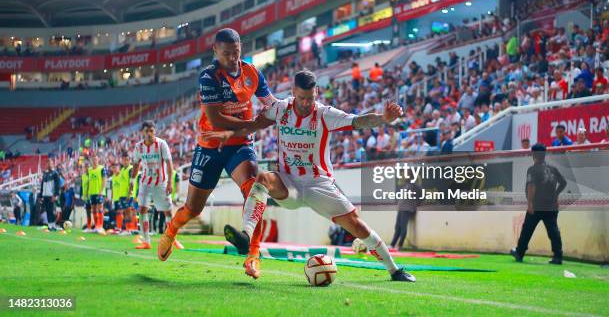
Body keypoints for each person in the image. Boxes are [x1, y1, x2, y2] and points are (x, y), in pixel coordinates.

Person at [206, 70, 416, 282]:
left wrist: (383, 119)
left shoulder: (324, 114)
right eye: (302, 98)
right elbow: (255, 125)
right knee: (262, 179)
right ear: (293, 91)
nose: (306, 103)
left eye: (311, 98)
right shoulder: (280, 109)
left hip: (319, 184)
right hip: (289, 183)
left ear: (316, 92)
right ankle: (246, 236)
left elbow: (358, 121)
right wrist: (230, 134)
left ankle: (394, 270)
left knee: (357, 225)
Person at [158, 28, 276, 279]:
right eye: (226, 54)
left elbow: (271, 103)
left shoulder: (252, 72)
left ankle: (253, 255)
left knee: (254, 189)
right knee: (193, 208)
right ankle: (170, 231)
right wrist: (253, 125)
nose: (233, 58)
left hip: (240, 145)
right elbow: (215, 118)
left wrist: (284, 112)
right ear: (215, 51)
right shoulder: (208, 76)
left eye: (236, 52)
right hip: (211, 146)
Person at [132, 121, 183, 250]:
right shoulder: (138, 147)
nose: (149, 134)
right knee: (142, 209)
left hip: (161, 182)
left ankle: (173, 239)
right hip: (145, 183)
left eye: (152, 131)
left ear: (155, 132)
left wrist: (170, 183)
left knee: (167, 211)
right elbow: (136, 164)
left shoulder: (161, 144)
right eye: (147, 131)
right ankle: (146, 241)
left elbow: (169, 164)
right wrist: (132, 182)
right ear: (142, 132)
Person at [511, 144, 566, 264]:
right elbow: (563, 183)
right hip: (551, 206)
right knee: (553, 230)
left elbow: (531, 186)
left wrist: (530, 203)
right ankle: (558, 256)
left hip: (536, 205)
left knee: (527, 230)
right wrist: (555, 195)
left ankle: (519, 253)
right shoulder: (553, 169)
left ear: (533, 154)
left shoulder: (533, 169)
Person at [88, 155, 107, 234]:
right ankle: (96, 226)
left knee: (100, 209)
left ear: (98, 159)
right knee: (94, 210)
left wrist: (101, 191)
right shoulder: (89, 169)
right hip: (92, 192)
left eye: (96, 159)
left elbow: (104, 180)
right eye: (93, 159)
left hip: (99, 192)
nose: (94, 160)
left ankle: (101, 226)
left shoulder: (102, 168)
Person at [40, 160, 61, 231]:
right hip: (45, 195)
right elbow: (42, 185)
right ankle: (50, 226)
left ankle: (53, 226)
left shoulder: (55, 173)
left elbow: (58, 185)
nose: (49, 165)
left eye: (50, 163)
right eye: (48, 163)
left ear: (53, 164)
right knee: (48, 211)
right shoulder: (45, 173)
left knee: (51, 211)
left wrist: (55, 195)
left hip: (51, 195)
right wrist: (41, 195)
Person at [111, 162, 129, 233]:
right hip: (115, 197)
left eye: (116, 168)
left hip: (121, 196)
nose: (114, 169)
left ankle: (123, 228)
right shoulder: (113, 177)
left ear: (119, 168)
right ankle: (119, 227)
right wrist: (112, 197)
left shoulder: (121, 175)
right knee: (118, 212)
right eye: (113, 168)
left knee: (122, 212)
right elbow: (113, 187)